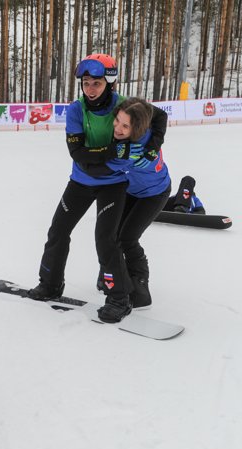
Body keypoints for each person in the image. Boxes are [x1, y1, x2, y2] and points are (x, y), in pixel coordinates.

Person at [28, 54, 163, 323]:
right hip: (81, 180)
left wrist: (154, 143)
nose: (90, 89)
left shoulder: (123, 105)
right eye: (86, 83)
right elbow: (78, 154)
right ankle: (50, 284)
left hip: (114, 185)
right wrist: (112, 152)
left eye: (96, 83)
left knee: (105, 240)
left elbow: (158, 116)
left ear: (109, 83)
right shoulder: (77, 110)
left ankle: (119, 299)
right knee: (58, 231)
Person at [102, 98, 171, 308]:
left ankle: (140, 286)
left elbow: (101, 161)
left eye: (125, 126)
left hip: (154, 193)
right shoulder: (131, 132)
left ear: (138, 127)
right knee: (114, 234)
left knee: (128, 237)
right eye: (117, 122)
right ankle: (114, 276)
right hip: (132, 189)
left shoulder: (139, 146)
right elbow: (159, 115)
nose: (118, 129)